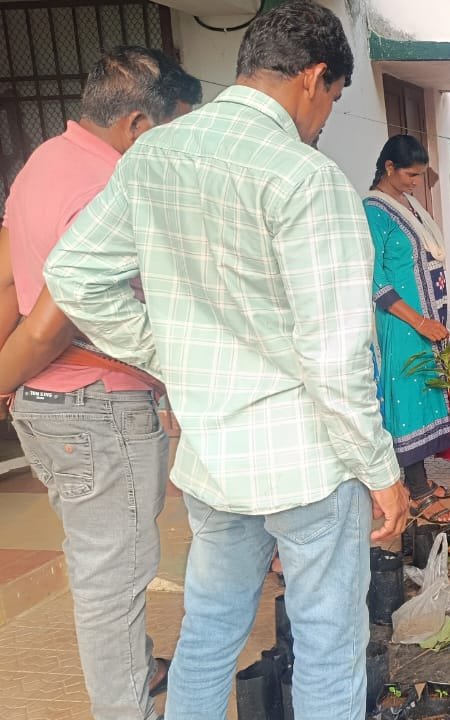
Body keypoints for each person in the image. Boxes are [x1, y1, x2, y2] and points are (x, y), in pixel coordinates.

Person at [42, 4, 410, 717]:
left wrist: (167, 351)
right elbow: (335, 355)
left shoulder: (156, 154)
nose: (328, 116)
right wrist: (381, 473)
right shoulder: (305, 179)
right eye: (333, 98)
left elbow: (75, 274)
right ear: (312, 78)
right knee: (328, 646)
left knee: (209, 634)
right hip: (306, 461)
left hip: (213, 459)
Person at [0, 47, 199, 720]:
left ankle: (135, 669)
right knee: (111, 579)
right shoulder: (104, 185)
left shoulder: (44, 163)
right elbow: (60, 316)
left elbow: (10, 279)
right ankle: (125, 708)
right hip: (96, 406)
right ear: (139, 123)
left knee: (101, 559)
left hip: (58, 404)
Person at [364, 134, 450, 523]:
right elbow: (375, 279)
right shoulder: (374, 210)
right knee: (406, 403)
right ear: (389, 168)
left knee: (425, 397)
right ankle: (417, 493)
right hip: (402, 324)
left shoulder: (408, 205)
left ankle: (423, 481)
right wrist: (418, 320)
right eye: (410, 174)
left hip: (426, 322)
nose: (416, 182)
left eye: (420, 175)